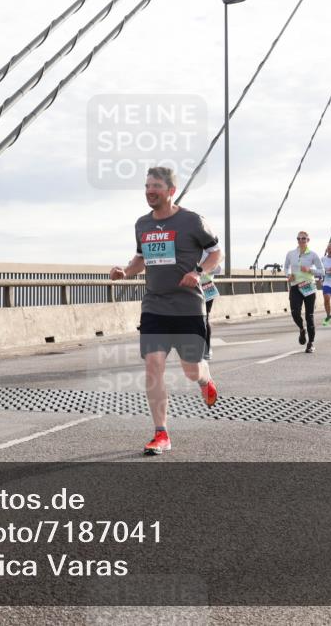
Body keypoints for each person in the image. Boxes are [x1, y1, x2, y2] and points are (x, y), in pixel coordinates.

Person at [110, 166, 220, 456]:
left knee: (191, 370)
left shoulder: (192, 221)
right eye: (147, 186)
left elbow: (216, 253)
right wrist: (126, 271)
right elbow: (140, 259)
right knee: (153, 365)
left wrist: (197, 272)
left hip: (188, 307)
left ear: (171, 191)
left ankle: (205, 379)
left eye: (156, 186)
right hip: (155, 305)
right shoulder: (142, 225)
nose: (149, 191)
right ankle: (161, 433)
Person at [284, 231, 324, 353]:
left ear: (308, 240)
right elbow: (285, 267)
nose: (301, 240)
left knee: (309, 316)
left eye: (304, 238)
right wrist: (288, 275)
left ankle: (311, 343)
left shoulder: (313, 255)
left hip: (308, 286)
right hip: (295, 286)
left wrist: (310, 270)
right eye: (299, 238)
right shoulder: (291, 254)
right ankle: (302, 329)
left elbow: (322, 271)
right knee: (295, 312)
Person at [198, 249, 223, 360]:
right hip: (190, 286)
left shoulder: (210, 251)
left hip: (206, 286)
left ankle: (207, 349)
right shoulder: (187, 248)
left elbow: (218, 269)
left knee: (205, 317)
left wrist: (202, 269)